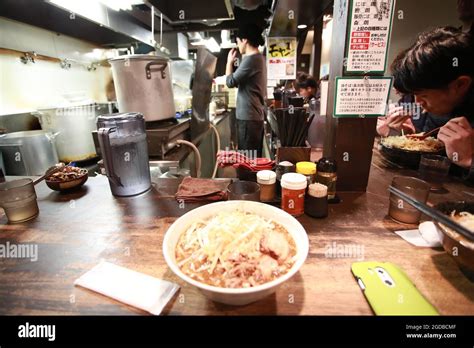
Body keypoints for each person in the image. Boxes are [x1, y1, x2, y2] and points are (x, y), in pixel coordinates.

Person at [389, 26, 474, 179]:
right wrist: (409, 137)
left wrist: (469, 160)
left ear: (460, 85)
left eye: (424, 95)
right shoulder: (439, 110)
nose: (418, 102)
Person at [226, 25, 267, 157]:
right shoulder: (258, 59)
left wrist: (229, 62)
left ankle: (247, 178)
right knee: (252, 159)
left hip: (248, 119)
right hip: (253, 118)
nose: (238, 46)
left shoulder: (251, 60)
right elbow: (244, 84)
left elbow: (230, 82)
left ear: (244, 40)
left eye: (238, 42)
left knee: (247, 160)